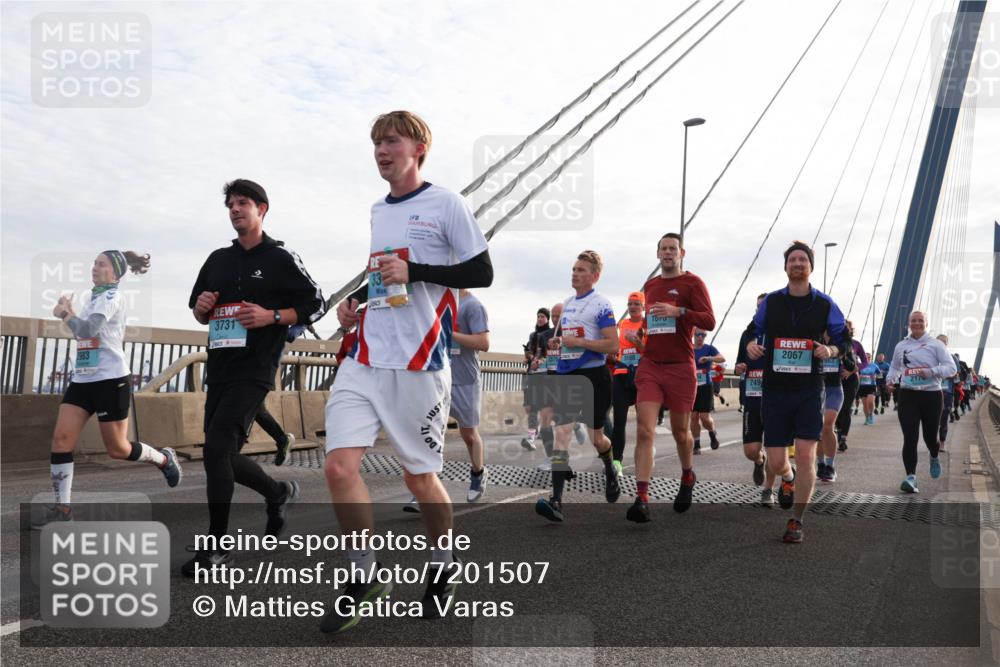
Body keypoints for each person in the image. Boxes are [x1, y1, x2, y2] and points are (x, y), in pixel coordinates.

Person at [321, 111, 493, 632]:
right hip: (366, 356)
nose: (380, 150)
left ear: (418, 148)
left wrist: (417, 271)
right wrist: (353, 302)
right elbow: (383, 273)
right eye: (375, 142)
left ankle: (443, 566)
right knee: (338, 468)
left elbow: (481, 271)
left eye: (391, 141)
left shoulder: (447, 203)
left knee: (420, 480)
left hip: (420, 364)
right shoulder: (378, 209)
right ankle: (365, 576)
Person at [185, 179, 326, 575]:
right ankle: (278, 492)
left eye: (242, 203)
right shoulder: (217, 260)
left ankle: (217, 548)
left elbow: (316, 303)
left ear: (262, 209)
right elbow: (198, 309)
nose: (235, 210)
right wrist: (202, 307)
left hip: (256, 367)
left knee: (215, 449)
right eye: (230, 204)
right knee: (223, 454)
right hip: (222, 366)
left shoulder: (281, 258)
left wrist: (273, 316)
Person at [32, 250, 182, 529]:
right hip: (83, 379)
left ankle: (163, 458)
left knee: (118, 448)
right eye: (93, 263)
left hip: (111, 380)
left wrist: (65, 313)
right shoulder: (93, 298)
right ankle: (63, 510)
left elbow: (89, 329)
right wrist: (72, 313)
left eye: (101, 264)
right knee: (61, 440)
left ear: (115, 273)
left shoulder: (113, 297)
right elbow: (84, 333)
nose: (94, 267)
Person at [747, 241, 849, 544]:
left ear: (810, 267)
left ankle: (796, 520)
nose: (797, 263)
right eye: (792, 259)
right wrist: (752, 344)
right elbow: (754, 329)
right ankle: (786, 479)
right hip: (775, 389)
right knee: (777, 462)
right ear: (786, 267)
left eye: (803, 259)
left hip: (808, 389)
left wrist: (830, 348)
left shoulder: (825, 304)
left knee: (806, 455)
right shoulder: (773, 301)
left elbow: (843, 340)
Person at [629, 232, 715, 523]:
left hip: (680, 366)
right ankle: (642, 497)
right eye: (663, 249)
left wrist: (678, 311)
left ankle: (687, 475)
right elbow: (651, 323)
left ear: (682, 253)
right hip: (651, 365)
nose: (668, 253)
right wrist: (639, 335)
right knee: (644, 430)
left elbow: (709, 320)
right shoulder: (650, 285)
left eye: (673, 249)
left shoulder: (693, 283)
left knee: (681, 433)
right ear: (657, 254)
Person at [534, 250, 619, 522]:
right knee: (562, 435)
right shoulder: (568, 303)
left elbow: (612, 345)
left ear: (595, 276)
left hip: (595, 378)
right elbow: (568, 340)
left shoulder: (602, 305)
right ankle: (556, 500)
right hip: (567, 377)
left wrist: (581, 343)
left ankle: (609, 466)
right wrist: (558, 343)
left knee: (597, 438)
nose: (575, 273)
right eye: (573, 268)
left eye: (581, 270)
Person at [886, 311, 956, 493]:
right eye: (913, 320)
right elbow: (894, 366)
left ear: (926, 323)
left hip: (931, 395)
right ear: (909, 323)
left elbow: (951, 368)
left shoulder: (936, 345)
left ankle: (934, 454)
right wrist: (890, 379)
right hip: (908, 395)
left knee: (929, 437)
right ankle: (911, 477)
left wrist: (931, 371)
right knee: (910, 437)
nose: (917, 323)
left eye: (920, 320)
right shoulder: (901, 345)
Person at [449, 289, 491, 502]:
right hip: (438, 376)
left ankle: (478, 473)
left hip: (465, 380)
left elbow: (483, 343)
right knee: (429, 431)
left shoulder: (473, 305)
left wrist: (450, 333)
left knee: (469, 435)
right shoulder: (438, 301)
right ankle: (423, 485)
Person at [734, 294, 775, 503]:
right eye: (759, 307)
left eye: (765, 307)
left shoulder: (779, 332)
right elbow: (738, 364)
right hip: (751, 396)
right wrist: (739, 366)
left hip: (775, 399)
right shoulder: (747, 334)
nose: (762, 311)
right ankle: (759, 461)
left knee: (775, 448)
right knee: (751, 450)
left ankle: (768, 490)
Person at [610, 293, 646, 476]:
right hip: (621, 373)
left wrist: (638, 342)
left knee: (644, 424)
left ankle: (644, 456)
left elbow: (651, 353)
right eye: (630, 304)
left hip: (642, 377)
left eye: (636, 304)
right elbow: (616, 347)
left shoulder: (648, 325)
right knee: (619, 422)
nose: (632, 307)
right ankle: (617, 461)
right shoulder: (622, 324)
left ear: (643, 306)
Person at [818, 330, 855, 483]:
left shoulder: (839, 344)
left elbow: (852, 366)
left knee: (828, 426)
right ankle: (820, 464)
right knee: (818, 429)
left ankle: (830, 466)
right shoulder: (816, 339)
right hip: (817, 389)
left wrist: (842, 355)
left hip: (834, 389)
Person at [521, 308, 552, 451]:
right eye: (538, 316)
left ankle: (531, 437)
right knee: (529, 407)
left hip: (545, 375)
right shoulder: (532, 335)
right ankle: (534, 434)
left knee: (545, 409)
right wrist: (528, 357)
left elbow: (551, 354)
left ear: (548, 319)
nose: (540, 319)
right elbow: (529, 352)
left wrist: (541, 360)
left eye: (543, 316)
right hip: (532, 374)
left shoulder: (551, 335)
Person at [835, 321, 867, 451]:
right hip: (835, 378)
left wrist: (852, 371)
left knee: (846, 407)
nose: (844, 330)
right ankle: (837, 430)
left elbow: (865, 362)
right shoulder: (833, 342)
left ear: (851, 330)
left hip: (852, 378)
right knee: (836, 409)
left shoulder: (856, 344)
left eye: (847, 328)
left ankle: (843, 438)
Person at [691, 329, 724, 452]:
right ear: (693, 335)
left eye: (703, 335)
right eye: (698, 334)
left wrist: (709, 358)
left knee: (705, 417)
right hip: (691, 386)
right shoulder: (688, 348)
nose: (700, 337)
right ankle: (696, 444)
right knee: (693, 417)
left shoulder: (709, 348)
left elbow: (722, 358)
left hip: (706, 385)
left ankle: (712, 433)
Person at [936, 334, 958, 452]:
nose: (941, 343)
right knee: (931, 419)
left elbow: (957, 374)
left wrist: (943, 372)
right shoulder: (931, 356)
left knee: (944, 418)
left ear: (947, 344)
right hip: (931, 391)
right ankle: (933, 441)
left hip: (947, 392)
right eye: (939, 341)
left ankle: (942, 442)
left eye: (944, 342)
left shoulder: (952, 358)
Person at [858, 360, 880, 425]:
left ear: (870, 358)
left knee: (870, 401)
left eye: (869, 357)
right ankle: (867, 418)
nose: (867, 358)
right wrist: (859, 377)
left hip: (872, 386)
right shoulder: (859, 366)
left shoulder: (874, 365)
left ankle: (871, 414)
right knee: (865, 404)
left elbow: (880, 375)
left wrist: (876, 377)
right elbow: (855, 374)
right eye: (865, 357)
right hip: (862, 386)